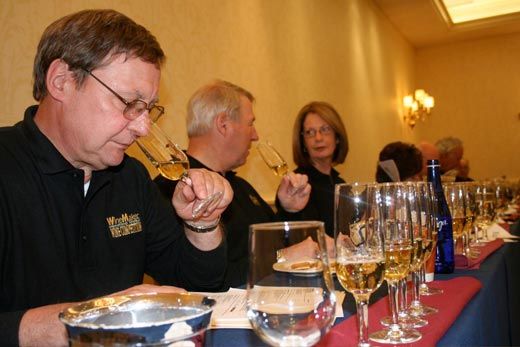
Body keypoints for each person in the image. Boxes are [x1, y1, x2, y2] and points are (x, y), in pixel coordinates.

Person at [0, 10, 233, 345]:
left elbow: (201, 284)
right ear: (61, 81)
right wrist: (97, 319)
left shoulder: (130, 176)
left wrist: (202, 222)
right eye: (129, 103)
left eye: (148, 109)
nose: (143, 128)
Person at [154, 80, 311, 290]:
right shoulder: (173, 189)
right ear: (223, 124)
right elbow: (201, 283)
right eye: (250, 123)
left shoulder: (240, 186)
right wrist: (282, 258)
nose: (255, 135)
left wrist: (289, 211)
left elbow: (274, 244)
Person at [287, 101, 349, 237]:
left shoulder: (340, 182)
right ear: (303, 142)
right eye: (310, 132)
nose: (318, 138)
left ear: (337, 137)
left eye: (325, 129)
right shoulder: (297, 185)